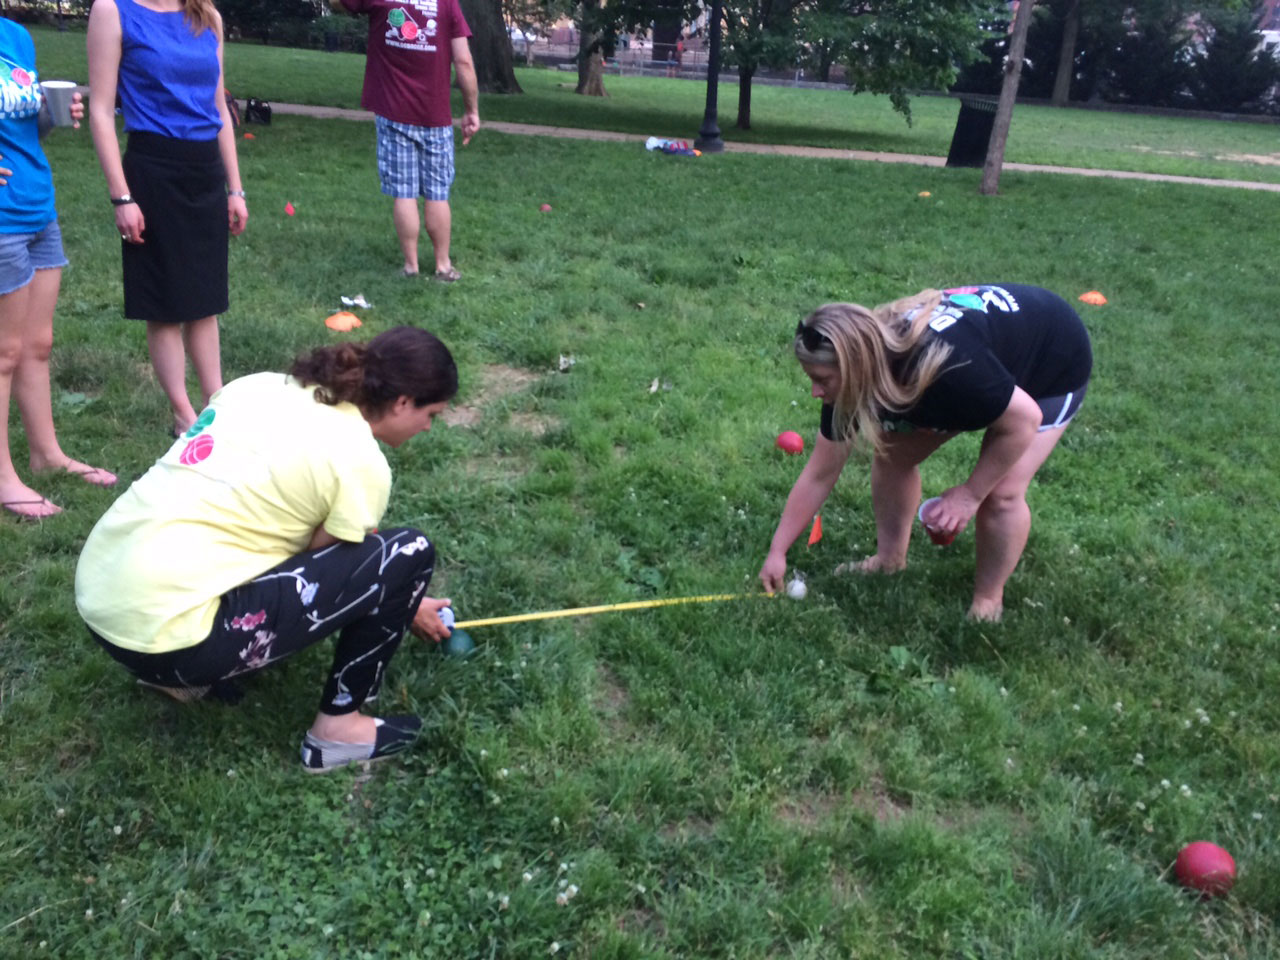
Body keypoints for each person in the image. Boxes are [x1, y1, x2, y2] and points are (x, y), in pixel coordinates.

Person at [76, 327, 459, 772]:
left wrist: (397, 600)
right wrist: (397, 592)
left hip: (102, 598)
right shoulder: (361, 463)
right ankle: (338, 731)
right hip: (170, 641)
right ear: (402, 402)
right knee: (408, 552)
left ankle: (178, 675)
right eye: (431, 414)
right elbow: (314, 569)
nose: (428, 427)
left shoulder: (257, 386)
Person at [759, 284, 1092, 621]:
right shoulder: (856, 377)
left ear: (856, 364)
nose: (815, 392)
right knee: (892, 455)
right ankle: (890, 561)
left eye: (822, 379)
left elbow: (1024, 420)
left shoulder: (951, 367)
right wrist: (777, 551)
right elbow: (820, 474)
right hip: (981, 372)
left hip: (1052, 361)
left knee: (1001, 492)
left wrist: (970, 495)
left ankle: (989, 599)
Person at [87, 0, 248, 438]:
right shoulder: (113, 11)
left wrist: (235, 188)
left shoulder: (206, 15)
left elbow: (219, 108)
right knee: (165, 301)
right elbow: (100, 111)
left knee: (206, 298)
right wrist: (122, 196)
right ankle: (183, 413)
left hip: (205, 170)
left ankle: (216, 403)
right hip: (153, 169)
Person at [1, 16, 117, 519]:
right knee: (4, 350)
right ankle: (3, 477)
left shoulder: (16, 36)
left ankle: (46, 455)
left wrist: (52, 115)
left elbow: (24, 128)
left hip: (36, 205)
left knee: (38, 344)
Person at [333, 0, 480, 281]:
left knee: (404, 192)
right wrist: (471, 110)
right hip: (436, 115)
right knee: (438, 193)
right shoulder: (447, 3)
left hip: (393, 113)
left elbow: (338, 3)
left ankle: (411, 266)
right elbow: (463, 61)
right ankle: (443, 266)